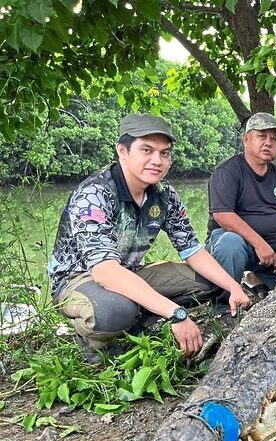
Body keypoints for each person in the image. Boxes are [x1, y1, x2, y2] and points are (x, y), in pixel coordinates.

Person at [48, 113, 251, 363]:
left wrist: (233, 286)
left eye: (164, 153)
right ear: (122, 150)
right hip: (77, 279)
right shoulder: (94, 195)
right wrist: (176, 314)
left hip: (131, 271)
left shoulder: (164, 193)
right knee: (116, 309)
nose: (157, 161)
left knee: (211, 282)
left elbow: (192, 249)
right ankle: (94, 339)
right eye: (147, 150)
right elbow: (105, 272)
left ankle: (138, 321)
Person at [206, 112, 276, 296]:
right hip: (238, 243)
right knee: (230, 244)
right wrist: (259, 244)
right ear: (246, 139)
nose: (268, 142)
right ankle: (225, 301)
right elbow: (223, 215)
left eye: (274, 139)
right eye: (261, 136)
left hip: (274, 244)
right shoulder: (228, 171)